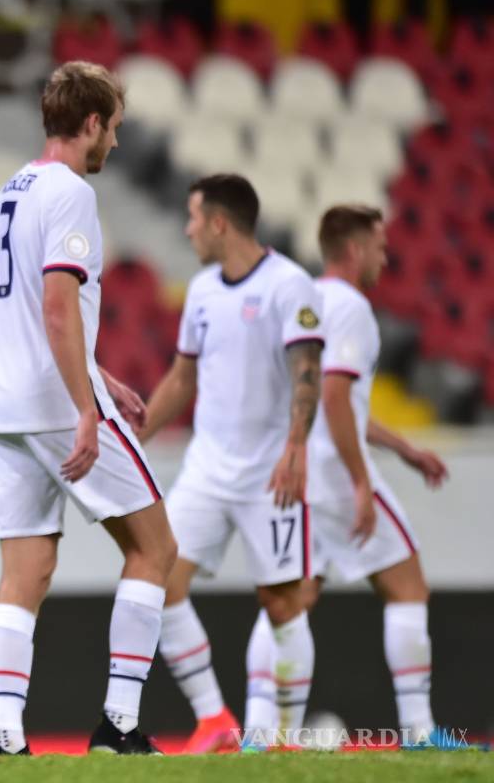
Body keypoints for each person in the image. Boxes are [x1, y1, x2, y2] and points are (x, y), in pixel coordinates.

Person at [0, 60, 177, 756]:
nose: (115, 145)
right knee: (155, 550)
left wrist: (100, 374)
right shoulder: (71, 194)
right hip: (56, 403)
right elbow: (58, 308)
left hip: (3, 403)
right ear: (91, 122)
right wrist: (88, 404)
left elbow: (32, 311)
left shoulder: (13, 187)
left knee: (23, 573)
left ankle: (4, 739)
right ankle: (119, 726)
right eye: (114, 129)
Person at [241, 204, 455, 749]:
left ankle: (260, 734)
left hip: (288, 470)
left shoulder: (303, 302)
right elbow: (335, 397)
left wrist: (404, 447)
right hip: (334, 469)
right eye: (380, 248)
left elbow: (339, 401)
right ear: (356, 250)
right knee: (407, 585)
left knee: (291, 598)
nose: (385, 259)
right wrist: (362, 482)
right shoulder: (353, 308)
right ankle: (420, 731)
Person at [137, 174, 324, 752]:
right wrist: (134, 435)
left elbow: (307, 373)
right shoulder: (201, 291)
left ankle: (282, 737)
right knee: (162, 582)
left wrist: (296, 447)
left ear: (220, 222)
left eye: (194, 218)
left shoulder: (290, 286)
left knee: (282, 601)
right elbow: (182, 377)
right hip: (207, 469)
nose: (188, 228)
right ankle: (215, 720)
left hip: (272, 472)